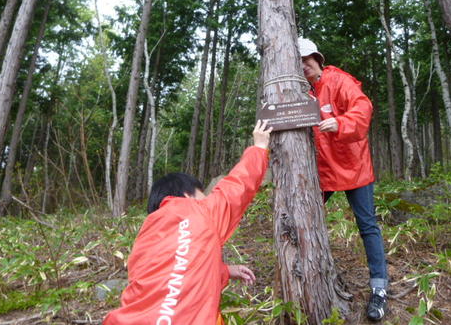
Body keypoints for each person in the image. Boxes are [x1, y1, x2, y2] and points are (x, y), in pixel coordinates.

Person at [103, 120, 272, 325]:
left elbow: (175, 273)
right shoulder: (197, 211)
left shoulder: (147, 233)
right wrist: (259, 147)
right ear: (187, 194)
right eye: (203, 193)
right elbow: (237, 187)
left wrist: (225, 271)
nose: (207, 198)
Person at [298, 37, 389, 321]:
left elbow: (363, 109)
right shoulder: (302, 92)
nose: (303, 67)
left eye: (307, 60)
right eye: (297, 62)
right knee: (303, 218)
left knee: (367, 225)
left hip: (354, 167)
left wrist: (341, 123)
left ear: (317, 59)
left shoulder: (339, 81)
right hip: (322, 172)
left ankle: (379, 288)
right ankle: (307, 277)